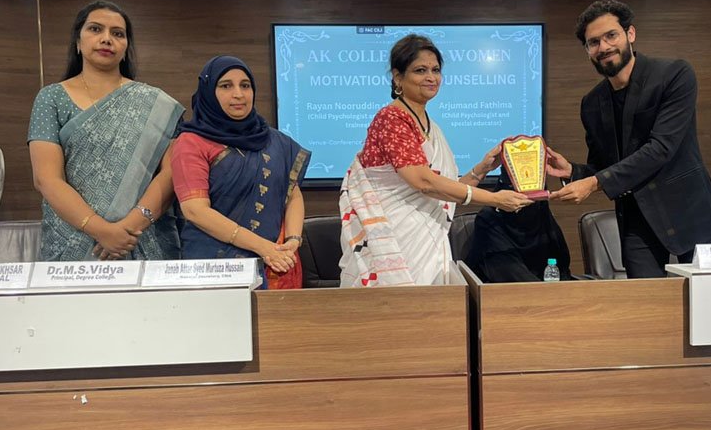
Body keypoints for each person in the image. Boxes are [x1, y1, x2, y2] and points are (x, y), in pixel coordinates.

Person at [546, 0, 711, 277]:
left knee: (705, 298)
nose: (604, 47)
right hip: (636, 220)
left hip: (691, 212)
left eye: (611, 35)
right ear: (587, 51)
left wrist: (593, 183)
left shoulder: (674, 75)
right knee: (645, 300)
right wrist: (573, 171)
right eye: (593, 42)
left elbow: (660, 149)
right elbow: (604, 166)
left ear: (630, 34)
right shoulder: (591, 103)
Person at [339, 34, 533, 287]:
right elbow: (424, 183)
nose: (431, 77)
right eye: (420, 70)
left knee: (429, 306)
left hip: (423, 235)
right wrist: (495, 199)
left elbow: (443, 192)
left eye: (436, 70)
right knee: (395, 305)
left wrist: (481, 169)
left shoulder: (429, 123)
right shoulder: (391, 118)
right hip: (394, 235)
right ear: (398, 77)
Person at [28, 0, 183, 261]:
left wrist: (127, 230)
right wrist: (102, 231)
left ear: (126, 48)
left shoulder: (156, 104)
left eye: (118, 33)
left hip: (140, 240)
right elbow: (46, 179)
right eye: (95, 29)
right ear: (78, 42)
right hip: (72, 244)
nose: (106, 39)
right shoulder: (51, 98)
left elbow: (170, 174)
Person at [171, 56, 311, 288]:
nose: (238, 94)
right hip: (215, 268)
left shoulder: (276, 141)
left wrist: (293, 240)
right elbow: (195, 210)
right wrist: (262, 247)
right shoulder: (191, 142)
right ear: (208, 92)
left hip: (277, 264)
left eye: (245, 85)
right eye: (226, 86)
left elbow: (292, 195)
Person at [466, 170, 573, 282]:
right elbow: (511, 274)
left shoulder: (543, 218)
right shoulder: (488, 220)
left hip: (550, 290)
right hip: (504, 291)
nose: (529, 203)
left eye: (536, 197)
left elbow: (562, 269)